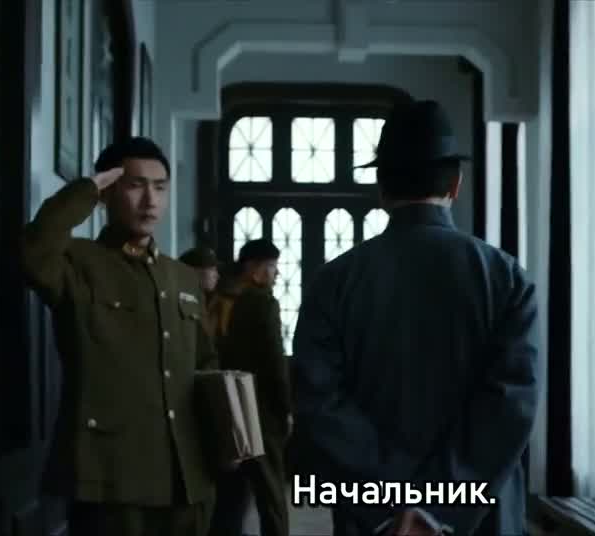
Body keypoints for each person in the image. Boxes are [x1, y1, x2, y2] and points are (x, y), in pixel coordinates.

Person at [290, 100, 539, 536]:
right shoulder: (506, 277)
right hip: (479, 516)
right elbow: (509, 407)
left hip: (371, 516)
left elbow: (318, 402)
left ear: (381, 187)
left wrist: (394, 501)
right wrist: (437, 506)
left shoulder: (333, 281)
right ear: (456, 184)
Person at [19, 137, 227, 536]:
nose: (150, 200)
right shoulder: (79, 261)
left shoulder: (182, 276)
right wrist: (86, 189)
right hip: (111, 475)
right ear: (108, 192)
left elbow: (205, 363)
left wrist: (226, 434)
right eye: (135, 185)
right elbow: (34, 249)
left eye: (160, 187)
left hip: (187, 475)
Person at [206, 238, 293, 536]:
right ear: (254, 269)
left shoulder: (219, 298)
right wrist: (285, 408)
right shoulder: (262, 302)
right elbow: (274, 360)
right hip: (260, 408)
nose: (276, 274)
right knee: (270, 490)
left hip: (223, 400)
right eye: (272, 266)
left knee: (230, 490)